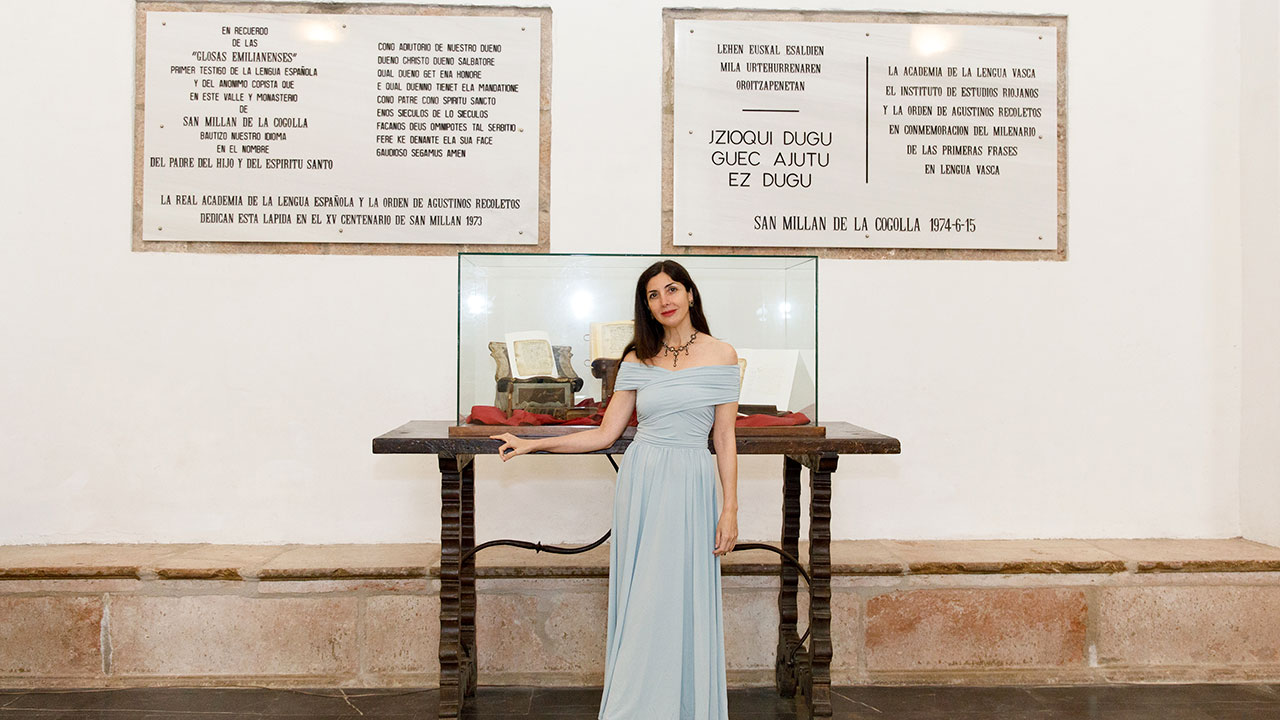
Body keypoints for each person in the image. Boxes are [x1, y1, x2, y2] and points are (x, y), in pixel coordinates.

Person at [490, 259, 740, 720]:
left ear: (690, 294)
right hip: (643, 480)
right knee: (644, 596)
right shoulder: (636, 359)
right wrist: (532, 445)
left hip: (691, 481)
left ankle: (686, 705)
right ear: (645, 306)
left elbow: (724, 437)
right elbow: (605, 435)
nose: (663, 301)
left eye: (671, 290)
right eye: (652, 295)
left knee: (683, 595)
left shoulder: (722, 354)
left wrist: (730, 509)